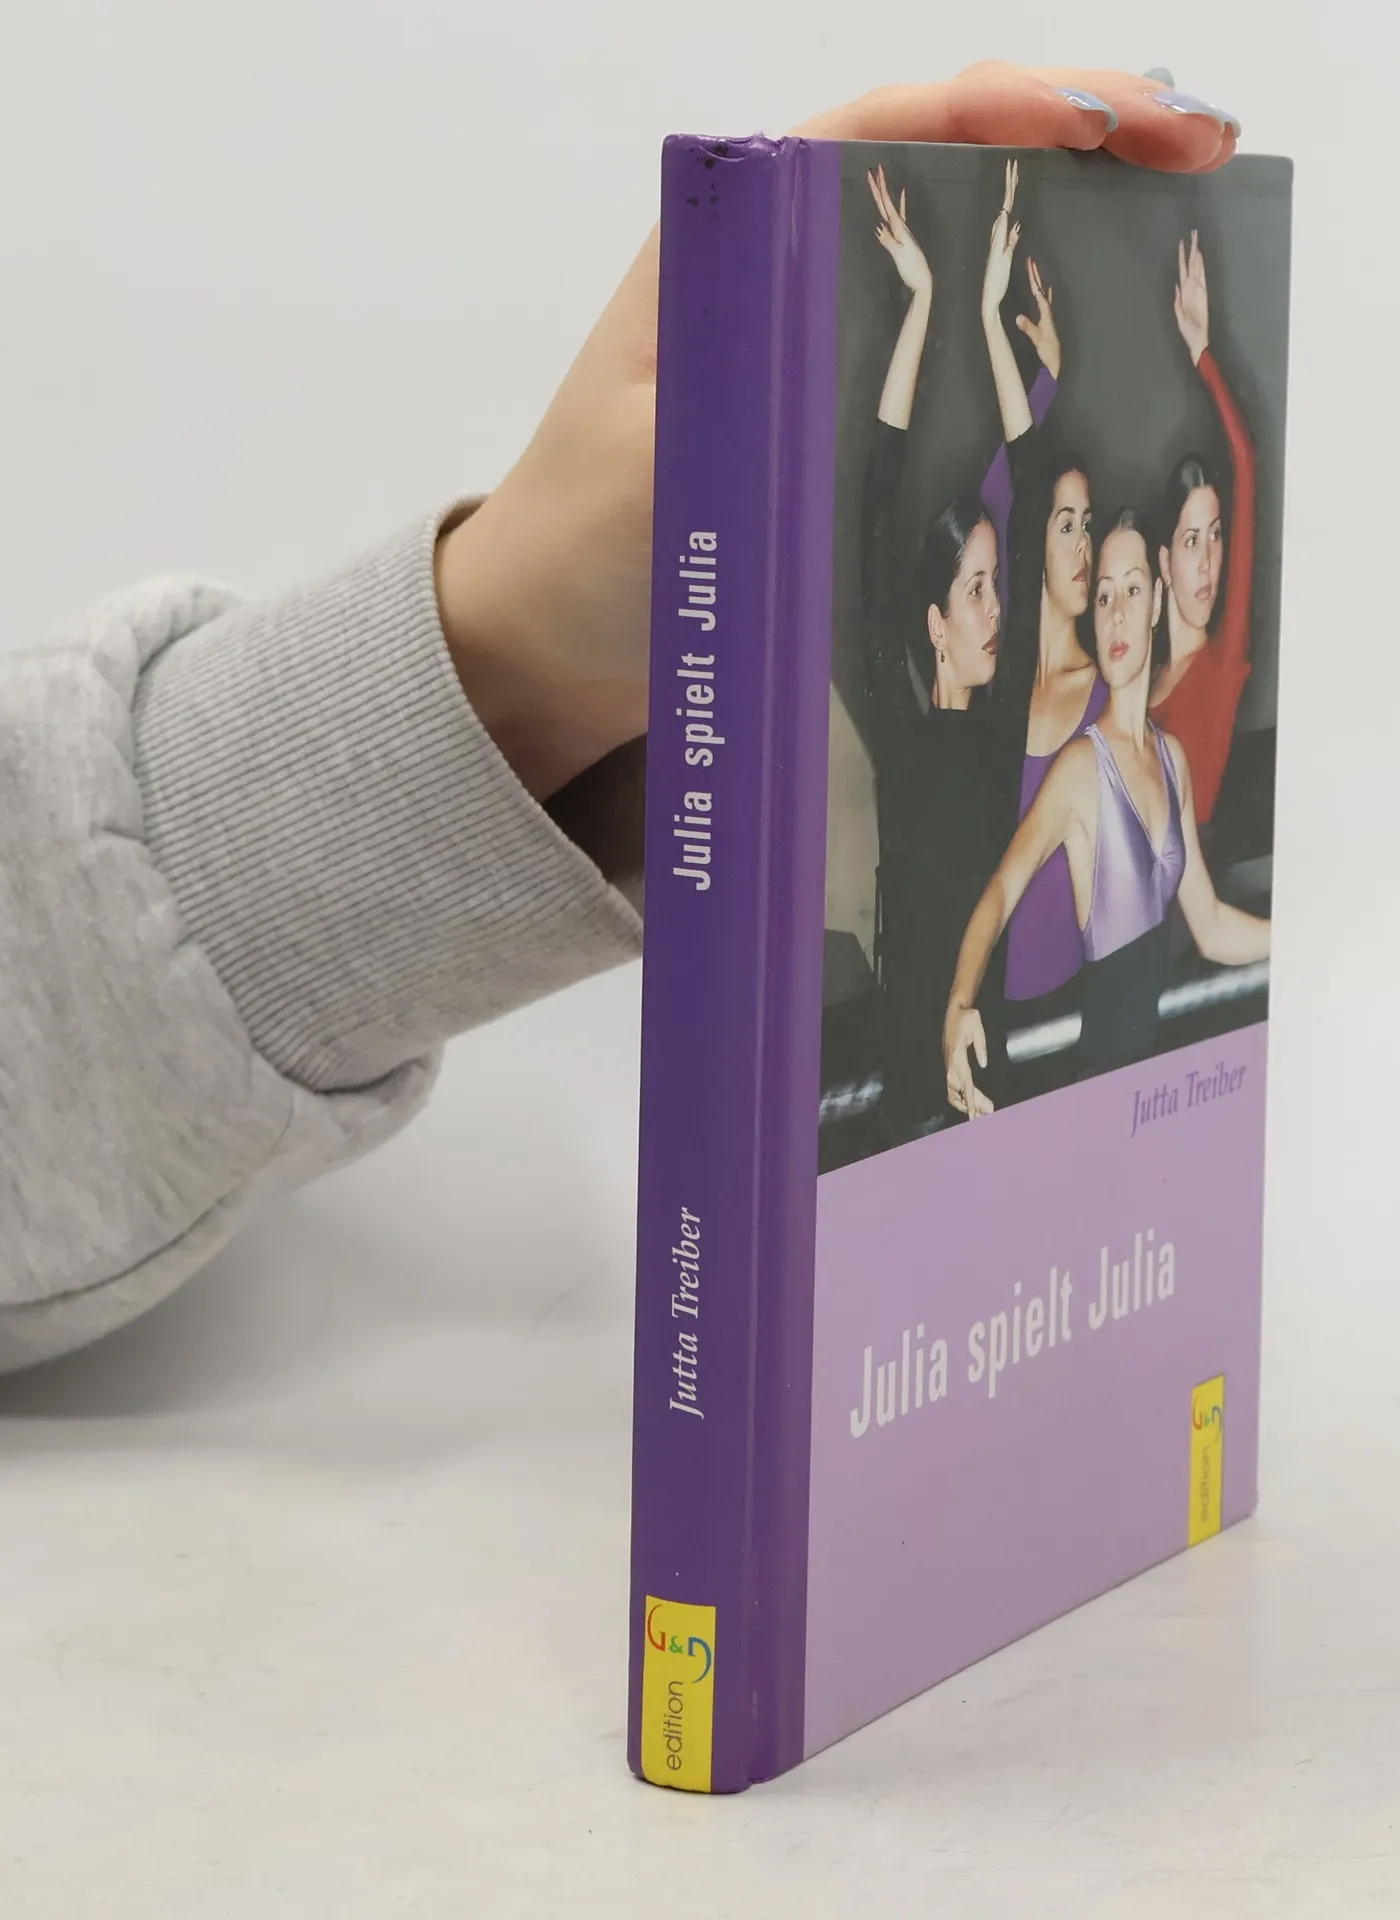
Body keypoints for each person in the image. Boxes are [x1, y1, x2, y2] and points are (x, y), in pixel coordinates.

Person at [0, 63, 1242, 1374]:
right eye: (992, 579)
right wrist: (953, 310)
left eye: (1041, 573)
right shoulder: (937, 712)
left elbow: (1034, 489)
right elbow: (925, 481)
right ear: (931, 620)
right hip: (918, 1060)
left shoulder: (1065, 725)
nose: (1044, 588)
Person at [942, 510, 1269, 1113]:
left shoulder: (1173, 760)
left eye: (1133, 591)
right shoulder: (1080, 769)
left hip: (1157, 1089)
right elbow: (1000, 891)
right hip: (1101, 1095)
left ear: (1158, 602)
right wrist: (960, 1003)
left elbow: (1211, 926)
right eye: (1103, 596)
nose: (1116, 614)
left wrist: (1296, 938)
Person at [860, 162, 1011, 1137]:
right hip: (917, 1088)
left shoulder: (1007, 730)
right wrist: (922, 303)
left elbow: (1035, 469)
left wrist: (991, 317)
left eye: (997, 584)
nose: (995, 608)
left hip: (1002, 1052)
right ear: (934, 625)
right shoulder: (904, 731)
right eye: (974, 589)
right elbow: (878, 504)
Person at [978, 196, 1109, 1011]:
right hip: (982, 1007)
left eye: (1089, 526)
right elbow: (1002, 494)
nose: (1083, 546)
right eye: (1066, 526)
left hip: (1066, 1011)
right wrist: (1047, 380)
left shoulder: (1105, 693)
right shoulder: (995, 673)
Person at [1149, 229, 1258, 828]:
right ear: (1164, 564)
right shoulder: (1138, 679)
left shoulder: (1221, 663)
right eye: (1192, 541)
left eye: (1216, 535)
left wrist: (1203, 353)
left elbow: (1245, 463)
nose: (1210, 560)